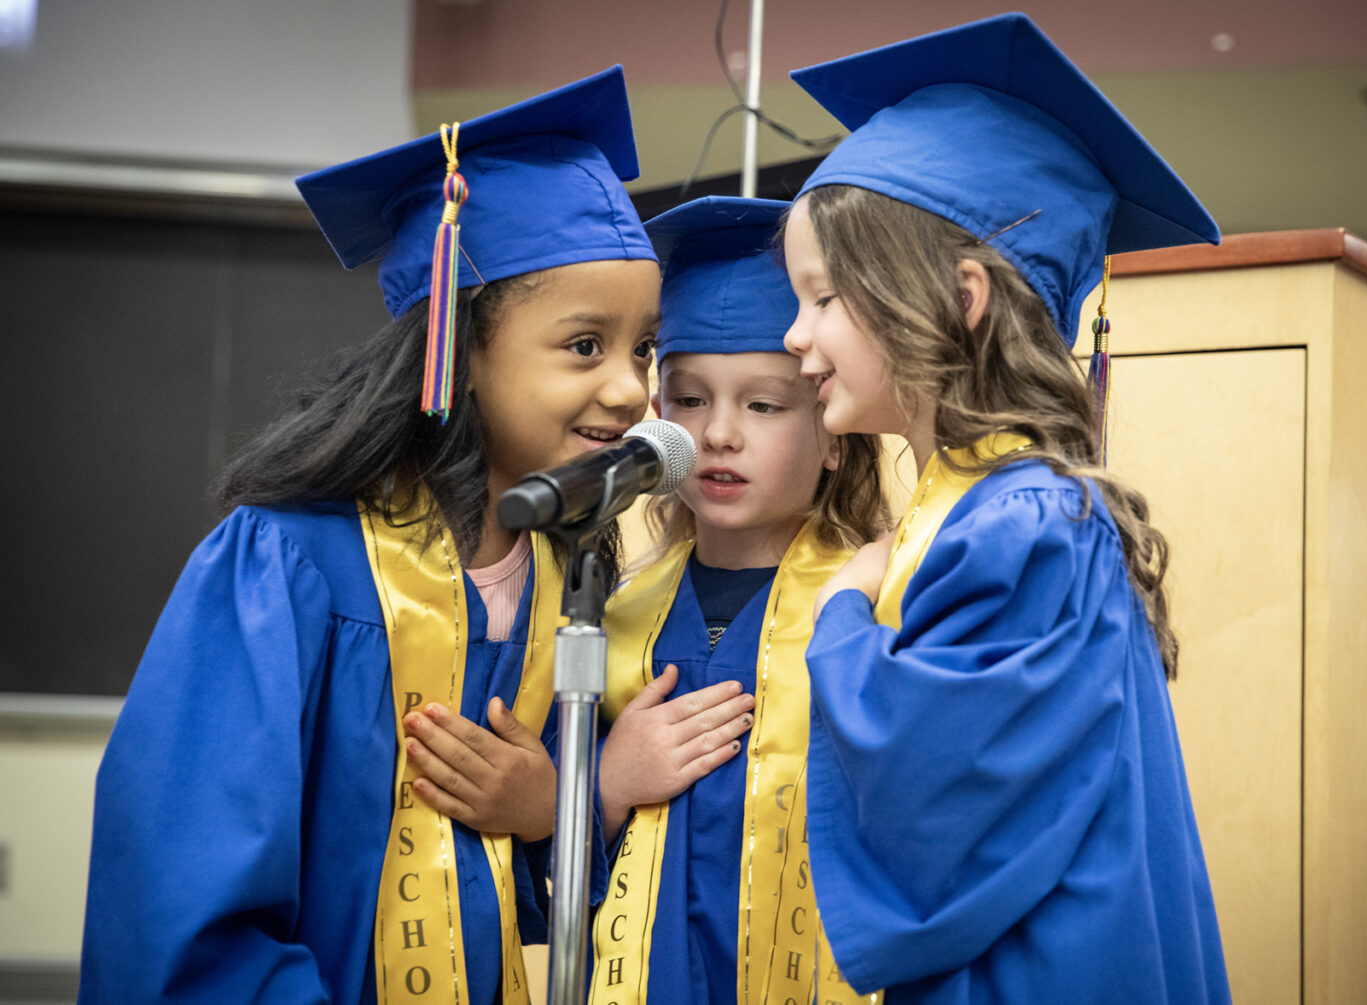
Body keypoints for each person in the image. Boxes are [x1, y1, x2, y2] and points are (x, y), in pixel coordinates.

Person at [79, 67, 683, 1005]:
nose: (630, 388)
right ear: (457, 347)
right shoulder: (284, 564)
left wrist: (554, 808)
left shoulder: (568, 578)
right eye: (583, 345)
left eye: (644, 347)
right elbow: (179, 902)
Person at [777, 15, 1232, 1004]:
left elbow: (933, 796)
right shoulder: (987, 511)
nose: (795, 335)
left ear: (961, 297)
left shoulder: (1025, 528)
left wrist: (842, 621)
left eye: (822, 297)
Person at [404, 196, 888, 1005]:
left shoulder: (874, 605)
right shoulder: (610, 615)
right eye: (689, 400)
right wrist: (601, 784)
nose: (719, 433)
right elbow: (555, 853)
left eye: (764, 404)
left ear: (835, 431)